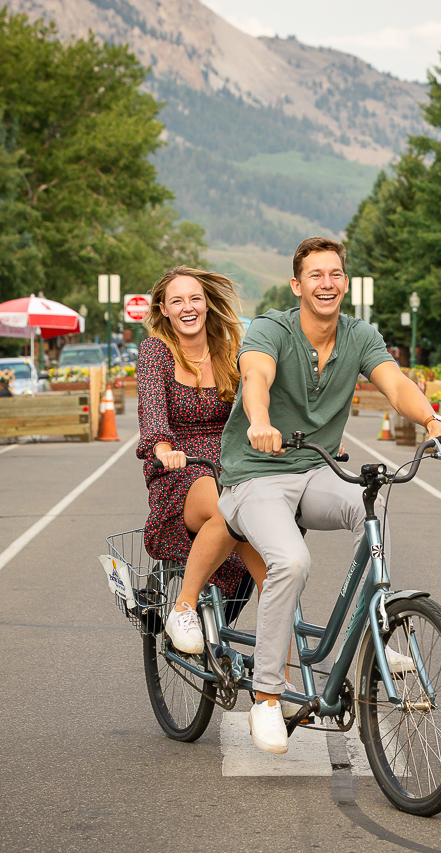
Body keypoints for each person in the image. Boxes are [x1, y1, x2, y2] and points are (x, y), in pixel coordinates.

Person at [217, 237, 441, 755]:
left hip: (316, 469)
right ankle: (265, 696)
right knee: (291, 560)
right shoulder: (270, 328)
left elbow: (393, 383)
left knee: (369, 509)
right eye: (315, 275)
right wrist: (258, 422)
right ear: (297, 284)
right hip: (255, 475)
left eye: (334, 274)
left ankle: (375, 628)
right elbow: (255, 376)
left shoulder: (358, 335)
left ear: (344, 283)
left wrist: (432, 420)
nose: (326, 283)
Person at [135, 267, 269, 654]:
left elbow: (259, 405)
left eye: (194, 298)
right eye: (177, 300)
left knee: (276, 575)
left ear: (207, 303)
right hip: (180, 469)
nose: (187, 307)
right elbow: (153, 416)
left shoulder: (232, 352)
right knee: (227, 506)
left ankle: (284, 684)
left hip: (232, 465)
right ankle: (184, 607)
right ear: (163, 309)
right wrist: (163, 449)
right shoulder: (156, 352)